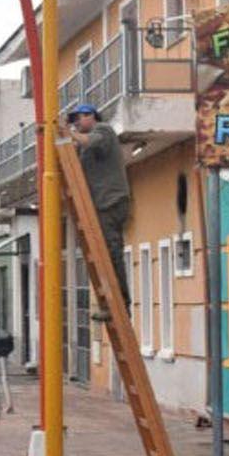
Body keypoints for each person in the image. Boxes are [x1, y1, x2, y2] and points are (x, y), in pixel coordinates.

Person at [64, 103, 131, 319]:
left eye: (80, 117)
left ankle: (121, 305)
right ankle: (112, 304)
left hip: (110, 202)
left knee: (111, 253)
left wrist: (68, 133)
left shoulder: (103, 130)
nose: (76, 122)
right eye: (73, 119)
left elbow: (88, 141)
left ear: (93, 116)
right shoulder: (83, 145)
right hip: (98, 204)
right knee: (103, 254)